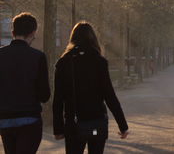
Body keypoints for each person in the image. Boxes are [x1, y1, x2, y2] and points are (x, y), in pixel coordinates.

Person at [52, 21, 129, 154]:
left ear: (73, 38)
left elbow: (58, 99)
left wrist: (58, 129)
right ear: (93, 39)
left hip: (73, 125)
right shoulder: (99, 62)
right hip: (96, 123)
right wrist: (122, 126)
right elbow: (109, 96)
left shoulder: (63, 62)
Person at [0, 12, 50, 154]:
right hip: (30, 119)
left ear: (13, 31)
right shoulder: (38, 57)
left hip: (5, 119)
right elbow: (44, 95)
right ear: (33, 32)